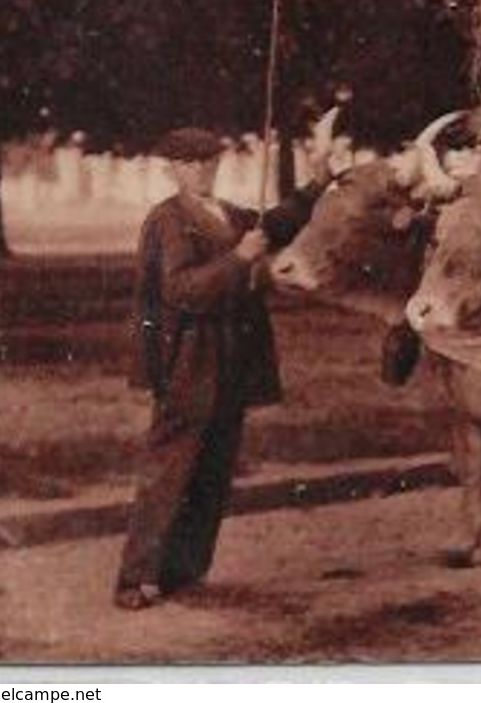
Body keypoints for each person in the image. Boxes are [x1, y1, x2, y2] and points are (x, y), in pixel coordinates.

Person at [113, 127, 328, 610]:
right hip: (188, 360)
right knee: (170, 471)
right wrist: (240, 258)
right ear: (172, 168)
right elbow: (182, 291)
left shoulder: (230, 213)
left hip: (233, 360)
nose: (202, 169)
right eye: (190, 163)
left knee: (213, 469)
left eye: (209, 160)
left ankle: (185, 571)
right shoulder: (167, 221)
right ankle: (135, 579)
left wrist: (316, 183)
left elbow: (277, 224)